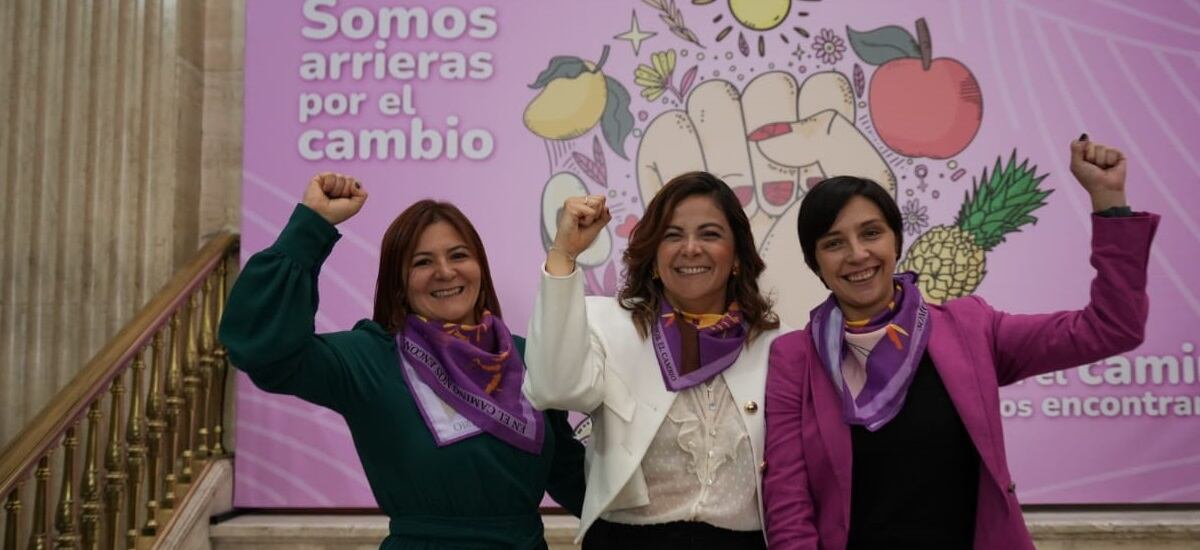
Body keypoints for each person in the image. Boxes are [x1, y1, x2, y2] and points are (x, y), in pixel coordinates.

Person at [761, 137, 1159, 549]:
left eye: (871, 233)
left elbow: (1111, 327)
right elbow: (789, 501)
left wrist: (1109, 201)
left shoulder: (969, 329)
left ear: (895, 241)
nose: (858, 254)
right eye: (834, 243)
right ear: (816, 263)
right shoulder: (796, 358)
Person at [219, 173, 585, 549]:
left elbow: (570, 473)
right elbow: (263, 350)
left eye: (459, 255)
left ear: (480, 268)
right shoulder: (370, 359)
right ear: (399, 284)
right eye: (422, 262)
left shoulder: (527, 357)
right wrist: (311, 226)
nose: (445, 272)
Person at [522, 171, 784, 549]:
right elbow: (552, 389)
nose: (690, 248)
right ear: (654, 257)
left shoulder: (779, 343)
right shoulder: (606, 323)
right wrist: (563, 254)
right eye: (672, 235)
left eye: (710, 234)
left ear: (739, 257)